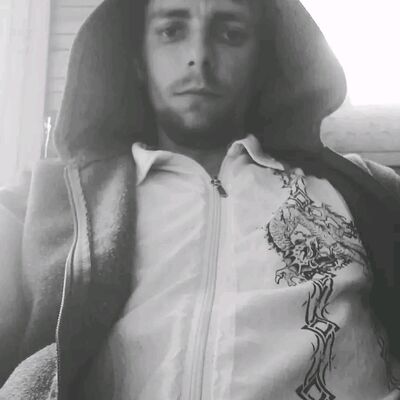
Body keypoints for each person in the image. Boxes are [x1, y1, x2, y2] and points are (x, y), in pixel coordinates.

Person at [1, 0, 400, 399]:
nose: (199, 57)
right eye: (172, 30)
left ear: (263, 61)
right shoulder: (47, 202)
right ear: (138, 59)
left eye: (231, 34)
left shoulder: (365, 189)